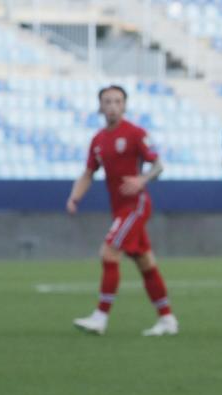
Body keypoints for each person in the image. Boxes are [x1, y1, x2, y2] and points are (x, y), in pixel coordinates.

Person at [68, 85, 177, 337]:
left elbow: (158, 165)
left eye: (118, 101)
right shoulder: (98, 141)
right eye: (108, 101)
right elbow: (88, 173)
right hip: (119, 208)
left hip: (136, 205)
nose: (113, 106)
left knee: (108, 252)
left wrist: (142, 180)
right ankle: (167, 319)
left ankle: (100, 317)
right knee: (145, 262)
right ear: (100, 106)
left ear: (125, 105)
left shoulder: (135, 133)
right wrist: (75, 197)